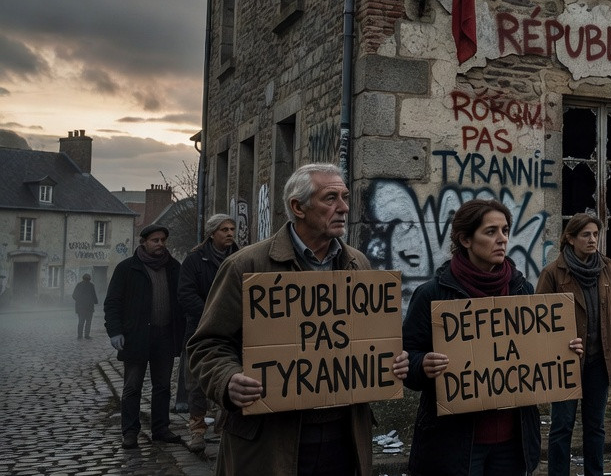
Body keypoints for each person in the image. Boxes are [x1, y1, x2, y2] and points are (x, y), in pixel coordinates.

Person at [188, 163, 409, 476]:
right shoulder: (246, 266)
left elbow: (365, 339)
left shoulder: (357, 264)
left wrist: (390, 360)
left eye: (344, 197)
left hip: (343, 435)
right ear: (298, 207)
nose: (343, 208)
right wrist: (228, 379)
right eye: (330, 198)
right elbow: (206, 345)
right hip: (270, 437)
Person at [401, 198, 583, 475]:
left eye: (506, 230)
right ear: (465, 239)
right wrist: (422, 364)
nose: (502, 239)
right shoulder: (433, 294)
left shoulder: (521, 290)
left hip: (512, 443)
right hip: (456, 444)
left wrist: (562, 348)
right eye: (491, 232)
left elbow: (533, 351)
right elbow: (405, 359)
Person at [536, 212, 611, 476]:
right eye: (585, 235)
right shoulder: (553, 273)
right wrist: (558, 344)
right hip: (565, 363)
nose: (592, 240)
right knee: (562, 426)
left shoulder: (607, 267)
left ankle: (595, 472)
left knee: (595, 426)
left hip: (599, 361)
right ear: (570, 238)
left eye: (595, 234)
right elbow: (538, 323)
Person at [104, 223, 186, 449]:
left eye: (163, 240)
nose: (160, 244)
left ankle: (160, 428)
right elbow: (112, 303)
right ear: (144, 243)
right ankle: (130, 432)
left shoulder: (173, 267)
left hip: (165, 336)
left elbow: (183, 299)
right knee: (132, 387)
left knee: (162, 386)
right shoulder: (127, 268)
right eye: (155, 240)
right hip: (136, 337)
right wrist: (115, 331)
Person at [177, 213, 239, 452]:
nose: (230, 234)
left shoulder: (239, 258)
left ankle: (226, 429)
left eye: (232, 229)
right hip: (199, 330)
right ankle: (197, 431)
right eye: (224, 229)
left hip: (232, 332)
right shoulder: (194, 260)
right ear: (212, 233)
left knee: (229, 378)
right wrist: (211, 313)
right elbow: (185, 294)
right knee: (196, 384)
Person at [73, 273, 98, 340]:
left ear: (83, 278)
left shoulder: (79, 285)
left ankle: (79, 335)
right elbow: (94, 296)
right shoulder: (91, 285)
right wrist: (95, 302)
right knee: (88, 322)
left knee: (81, 322)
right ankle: (87, 335)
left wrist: (79, 301)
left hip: (81, 307)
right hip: (89, 307)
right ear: (89, 279)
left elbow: (74, 295)